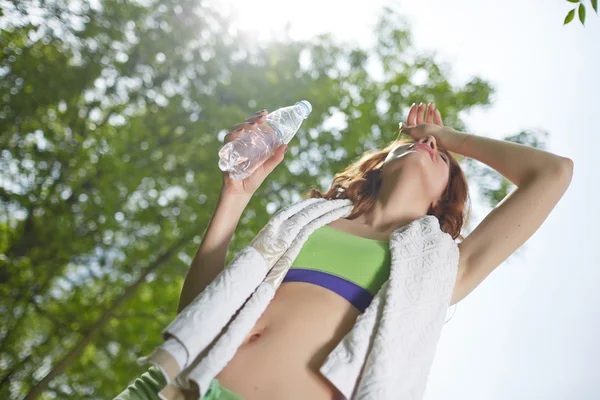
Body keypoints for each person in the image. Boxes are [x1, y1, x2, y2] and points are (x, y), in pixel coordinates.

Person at [115, 102, 573, 399]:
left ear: (442, 198)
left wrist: (445, 134)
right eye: (413, 144)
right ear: (379, 166)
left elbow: (553, 173)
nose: (429, 147)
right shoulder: (312, 221)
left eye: (443, 158)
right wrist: (234, 196)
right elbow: (199, 315)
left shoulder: (440, 266)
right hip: (175, 388)